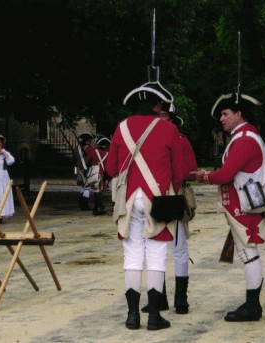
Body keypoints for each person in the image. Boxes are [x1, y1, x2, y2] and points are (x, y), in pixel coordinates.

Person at [106, 83, 184, 331]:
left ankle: (132, 316)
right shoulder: (168, 128)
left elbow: (111, 169)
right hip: (158, 200)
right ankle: (153, 317)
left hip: (130, 201)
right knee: (157, 256)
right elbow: (180, 172)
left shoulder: (121, 128)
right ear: (158, 106)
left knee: (132, 256)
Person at [195, 92, 265, 322]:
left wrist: (203, 176)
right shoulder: (244, 136)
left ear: (239, 114)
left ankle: (252, 306)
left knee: (248, 254)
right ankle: (252, 304)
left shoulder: (245, 139)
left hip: (245, 204)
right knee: (247, 253)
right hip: (242, 203)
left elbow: (226, 174)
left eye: (225, 113)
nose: (221, 118)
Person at [141, 107, 198, 315]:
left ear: (172, 118)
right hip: (153, 198)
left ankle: (181, 300)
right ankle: (159, 297)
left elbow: (191, 169)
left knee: (179, 248)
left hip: (175, 197)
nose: (161, 119)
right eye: (158, 116)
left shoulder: (181, 139)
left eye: (164, 115)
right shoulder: (148, 139)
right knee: (156, 249)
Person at [74, 132, 106, 214]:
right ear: (88, 140)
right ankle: (84, 205)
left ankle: (81, 204)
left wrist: (76, 170)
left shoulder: (77, 148)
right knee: (87, 188)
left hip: (79, 169)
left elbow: (75, 159)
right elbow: (93, 160)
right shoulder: (91, 149)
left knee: (83, 187)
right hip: (87, 170)